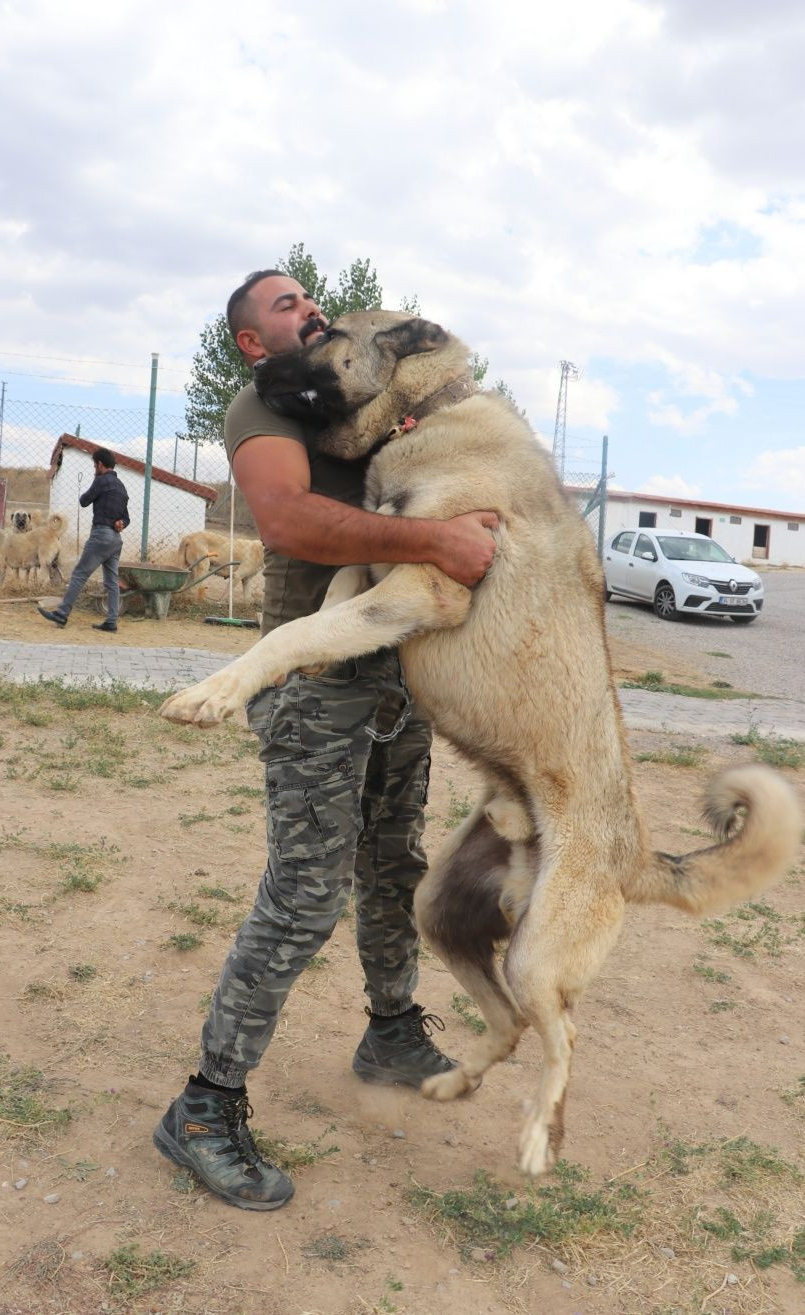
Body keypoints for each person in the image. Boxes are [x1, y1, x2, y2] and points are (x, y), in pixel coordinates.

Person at [153, 271, 499, 1211]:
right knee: (305, 890)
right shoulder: (257, 407)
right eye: (283, 307)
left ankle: (388, 1028)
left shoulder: (363, 397)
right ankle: (205, 1106)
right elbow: (289, 520)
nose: (308, 308)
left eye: (310, 299)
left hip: (397, 666)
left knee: (393, 866)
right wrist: (436, 542)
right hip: (315, 681)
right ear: (253, 344)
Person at [37, 447, 129, 633]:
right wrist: (122, 524)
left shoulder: (101, 480)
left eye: (95, 465)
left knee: (79, 575)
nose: (94, 468)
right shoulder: (121, 487)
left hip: (101, 535)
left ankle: (61, 614)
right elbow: (126, 518)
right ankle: (111, 621)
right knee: (111, 581)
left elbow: (84, 500)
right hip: (116, 540)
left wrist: (96, 478)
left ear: (100, 465)